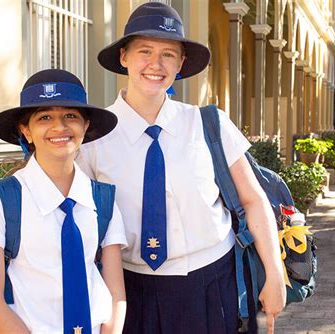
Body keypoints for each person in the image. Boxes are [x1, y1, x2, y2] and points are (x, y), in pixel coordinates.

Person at [76, 3, 286, 334]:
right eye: (144, 51)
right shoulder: (92, 141)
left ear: (181, 64)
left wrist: (274, 274)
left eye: (168, 54)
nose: (155, 64)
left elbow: (253, 200)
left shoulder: (209, 124)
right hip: (131, 291)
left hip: (213, 283)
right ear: (124, 57)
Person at [0, 69, 127, 333]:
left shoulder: (103, 201)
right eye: (44, 117)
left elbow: (116, 294)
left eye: (70, 116)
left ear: (85, 127)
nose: (59, 127)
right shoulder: (3, 201)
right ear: (26, 131)